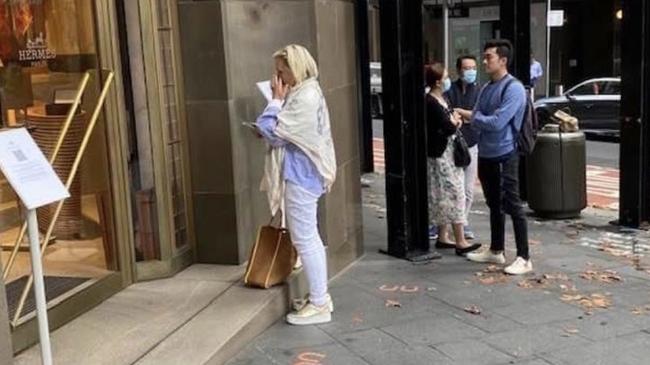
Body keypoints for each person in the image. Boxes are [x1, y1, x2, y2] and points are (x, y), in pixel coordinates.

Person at [254, 44, 337, 325]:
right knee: (307, 237)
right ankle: (320, 297)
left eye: (281, 71)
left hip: (301, 175)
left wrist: (275, 102)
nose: (277, 78)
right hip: (303, 173)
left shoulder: (305, 96)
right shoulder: (305, 92)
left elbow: (275, 132)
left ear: (295, 67)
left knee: (306, 238)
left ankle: (319, 302)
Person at [463, 39, 533, 275]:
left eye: (488, 57)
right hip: (486, 154)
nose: (483, 62)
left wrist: (476, 118)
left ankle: (524, 257)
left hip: (505, 154)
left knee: (513, 204)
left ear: (503, 60)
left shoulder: (513, 88)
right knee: (494, 203)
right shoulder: (486, 88)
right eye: (484, 56)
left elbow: (497, 122)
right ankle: (496, 250)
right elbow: (480, 115)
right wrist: (479, 117)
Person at [425, 63, 481, 257]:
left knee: (448, 194)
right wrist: (456, 121)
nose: (448, 80)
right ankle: (460, 240)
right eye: (446, 76)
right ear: (438, 81)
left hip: (450, 153)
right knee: (455, 193)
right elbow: (448, 125)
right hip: (441, 156)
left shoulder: (443, 98)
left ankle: (443, 236)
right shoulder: (430, 102)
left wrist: (454, 121)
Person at [445, 55, 480, 240]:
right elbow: (449, 114)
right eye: (467, 68)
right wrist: (463, 115)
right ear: (459, 70)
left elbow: (477, 116)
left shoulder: (480, 91)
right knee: (453, 187)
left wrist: (461, 113)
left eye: (473, 67)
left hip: (472, 144)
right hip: (454, 145)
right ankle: (446, 223)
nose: (471, 71)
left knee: (468, 189)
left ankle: (463, 222)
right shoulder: (450, 90)